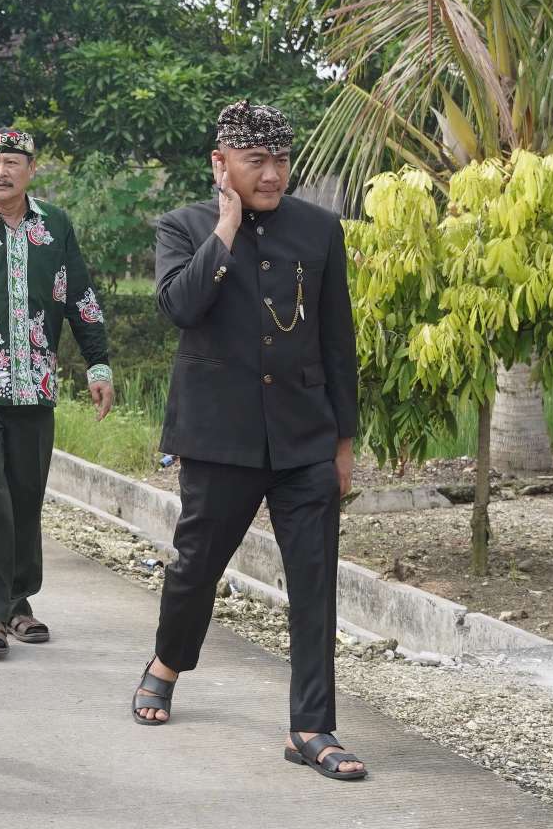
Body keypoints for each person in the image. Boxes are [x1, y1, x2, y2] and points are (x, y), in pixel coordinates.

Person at [130, 100, 365, 781]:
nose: (270, 175)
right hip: (219, 438)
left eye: (280, 160)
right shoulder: (183, 227)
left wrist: (343, 442)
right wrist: (227, 230)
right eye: (255, 161)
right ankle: (167, 663)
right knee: (195, 567)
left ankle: (311, 728)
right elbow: (180, 307)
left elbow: (337, 339)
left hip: (304, 437)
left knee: (315, 583)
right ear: (221, 163)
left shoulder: (318, 229)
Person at [0, 117, 114, 660]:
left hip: (35, 382)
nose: (0, 171)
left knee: (25, 492)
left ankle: (18, 601)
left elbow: (80, 295)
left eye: (11, 162)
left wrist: (98, 364)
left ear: (31, 169)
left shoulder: (55, 225)